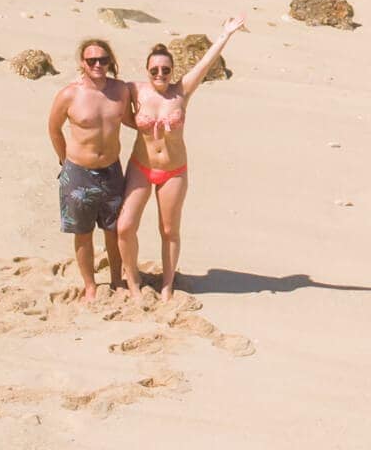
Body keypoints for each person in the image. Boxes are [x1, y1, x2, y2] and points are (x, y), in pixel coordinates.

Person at [117, 16, 245, 299]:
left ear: (173, 71)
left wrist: (225, 34)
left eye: (165, 69)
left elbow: (205, 64)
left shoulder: (181, 92)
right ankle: (133, 281)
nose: (160, 73)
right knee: (125, 226)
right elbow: (106, 90)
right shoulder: (135, 90)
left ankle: (167, 283)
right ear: (147, 70)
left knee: (169, 229)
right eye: (155, 69)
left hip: (174, 171)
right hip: (141, 166)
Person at [46, 37, 133, 299]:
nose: (97, 64)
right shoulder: (69, 94)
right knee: (83, 232)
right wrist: (64, 161)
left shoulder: (120, 91)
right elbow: (53, 128)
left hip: (111, 171)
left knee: (114, 230)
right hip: (78, 172)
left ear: (110, 62)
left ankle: (117, 280)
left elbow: (132, 120)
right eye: (91, 60)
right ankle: (91, 286)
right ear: (82, 63)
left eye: (102, 60)